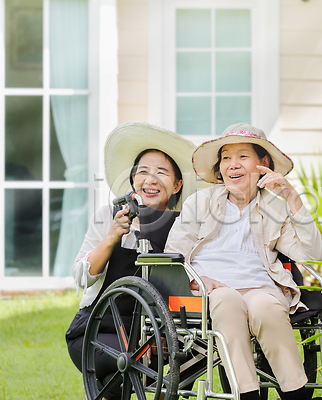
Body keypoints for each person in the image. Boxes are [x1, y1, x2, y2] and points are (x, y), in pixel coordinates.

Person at [165, 123, 322, 400]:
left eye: (242, 156)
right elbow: (172, 256)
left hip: (260, 288)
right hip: (208, 290)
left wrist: (292, 198)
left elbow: (311, 254)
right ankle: (247, 395)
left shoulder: (276, 207)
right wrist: (197, 279)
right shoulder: (199, 202)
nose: (232, 165)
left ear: (263, 164)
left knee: (267, 306)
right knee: (227, 301)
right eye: (226, 157)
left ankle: (296, 393)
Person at [65, 121, 198, 400]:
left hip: (159, 333)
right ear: (133, 179)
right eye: (143, 172)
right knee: (126, 362)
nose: (150, 179)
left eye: (161, 173)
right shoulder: (108, 215)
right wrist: (112, 237)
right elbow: (81, 276)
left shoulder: (185, 227)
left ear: (177, 185)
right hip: (96, 330)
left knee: (145, 365)